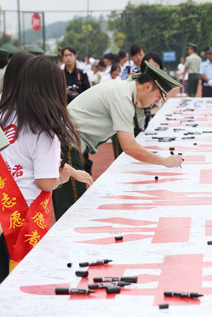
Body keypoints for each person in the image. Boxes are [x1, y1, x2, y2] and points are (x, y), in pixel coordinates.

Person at [0, 56, 93, 281]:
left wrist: (67, 170)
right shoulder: (44, 129)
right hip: (19, 219)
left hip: (4, 208)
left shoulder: (5, 110)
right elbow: (45, 181)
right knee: (17, 283)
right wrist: (61, 178)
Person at [52, 62, 182, 220]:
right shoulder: (123, 96)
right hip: (66, 147)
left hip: (67, 145)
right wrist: (164, 161)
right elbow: (129, 147)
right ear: (147, 87)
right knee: (71, 215)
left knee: (72, 208)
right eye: (157, 98)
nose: (155, 103)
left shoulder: (123, 89)